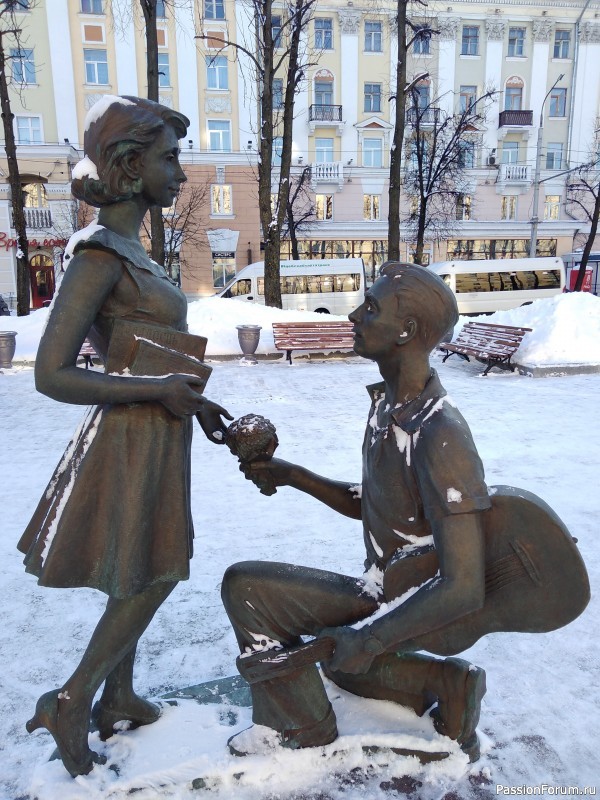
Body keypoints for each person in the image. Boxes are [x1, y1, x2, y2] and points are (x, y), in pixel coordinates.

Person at [18, 95, 232, 778]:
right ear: (131, 166)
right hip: (130, 438)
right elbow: (51, 374)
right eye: (170, 157)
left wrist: (194, 402)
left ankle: (117, 696)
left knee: (141, 566)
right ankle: (73, 699)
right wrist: (158, 391)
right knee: (156, 570)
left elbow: (149, 352)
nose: (180, 172)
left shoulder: (132, 251)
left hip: (158, 431)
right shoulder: (98, 255)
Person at [222, 263, 489, 761]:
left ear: (406, 330)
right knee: (336, 661)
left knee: (247, 590)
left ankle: (301, 727)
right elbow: (377, 504)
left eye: (370, 308)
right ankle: (446, 683)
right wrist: (291, 474)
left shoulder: (440, 433)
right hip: (383, 586)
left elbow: (465, 586)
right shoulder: (389, 407)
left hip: (407, 600)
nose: (353, 316)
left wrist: (369, 638)